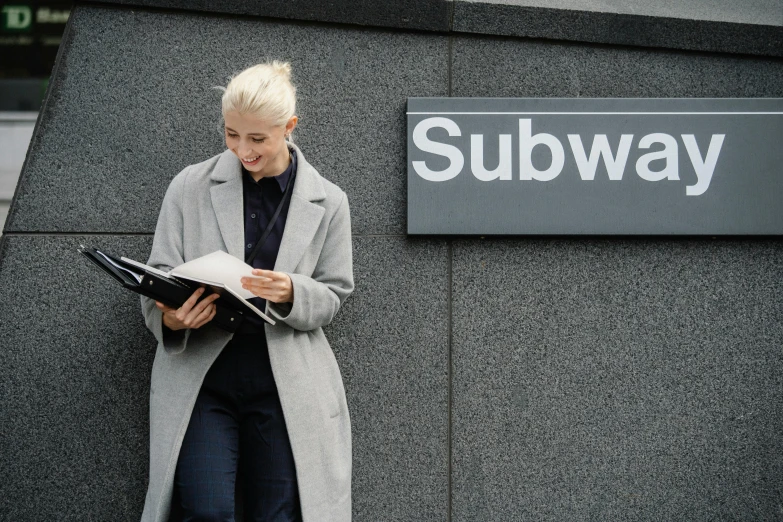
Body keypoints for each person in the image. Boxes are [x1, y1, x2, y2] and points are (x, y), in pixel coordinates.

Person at [138, 61, 354, 522]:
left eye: (257, 138)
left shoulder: (329, 200)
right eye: (232, 134)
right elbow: (157, 275)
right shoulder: (188, 186)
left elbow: (335, 292)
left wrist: (292, 291)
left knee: (279, 514)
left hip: (287, 382)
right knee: (204, 509)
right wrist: (173, 317)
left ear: (290, 127)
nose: (242, 149)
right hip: (202, 377)